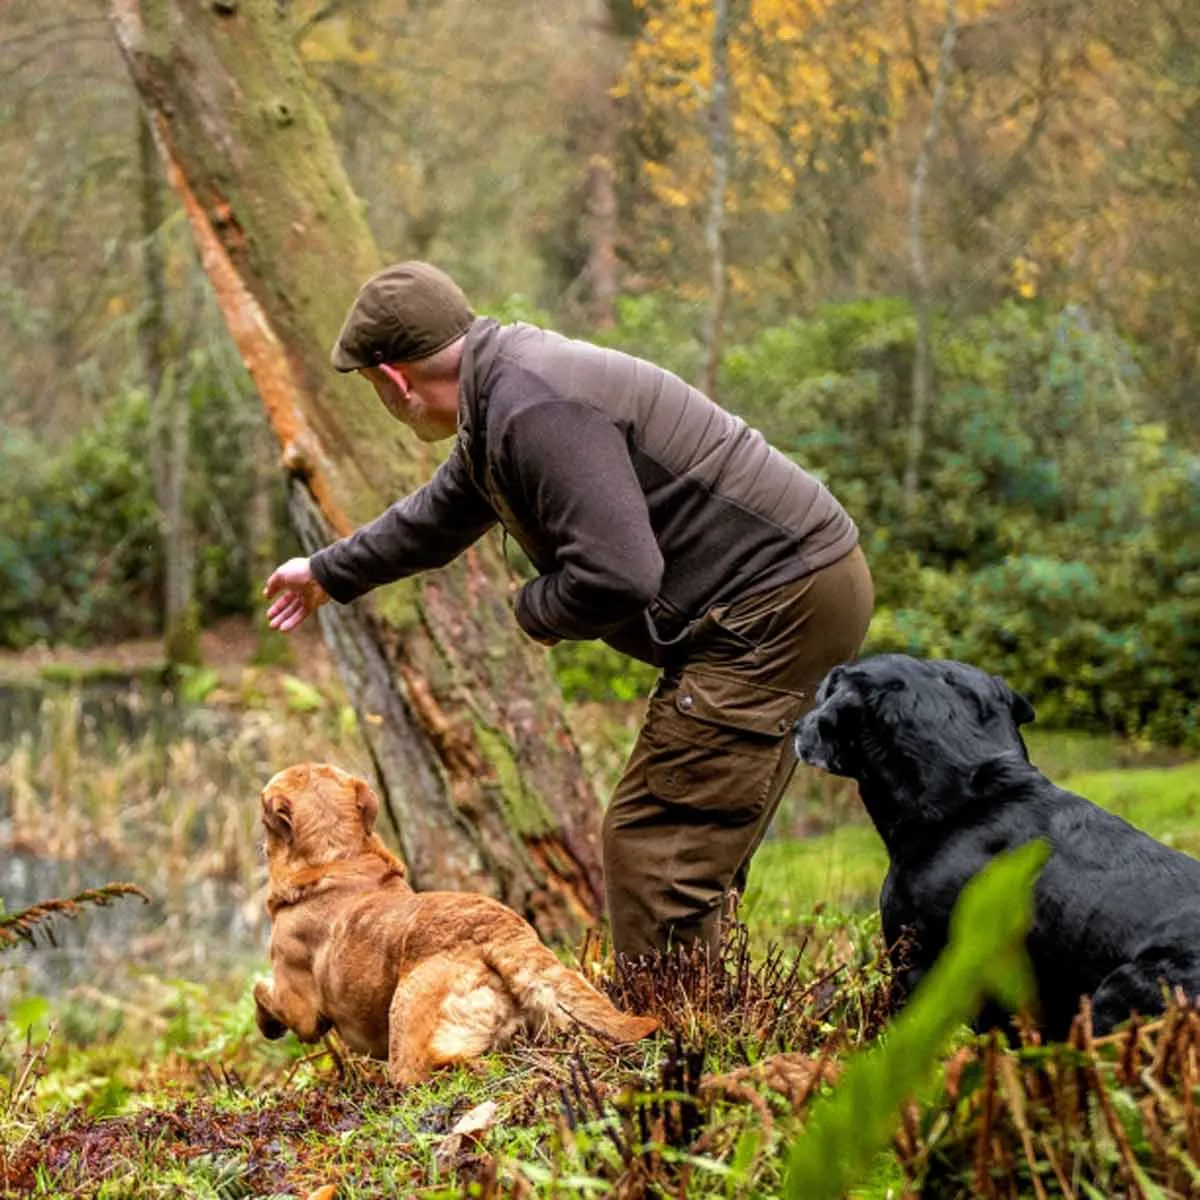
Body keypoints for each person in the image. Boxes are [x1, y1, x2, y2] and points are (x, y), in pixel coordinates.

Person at [264, 261, 874, 962]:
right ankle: (714, 1025)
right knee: (692, 842)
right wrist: (326, 572)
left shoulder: (533, 408)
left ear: (395, 378)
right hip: (794, 589)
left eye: (374, 388)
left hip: (776, 603)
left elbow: (620, 574)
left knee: (653, 845)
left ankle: (674, 1048)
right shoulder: (505, 394)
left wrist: (537, 610)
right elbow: (438, 515)